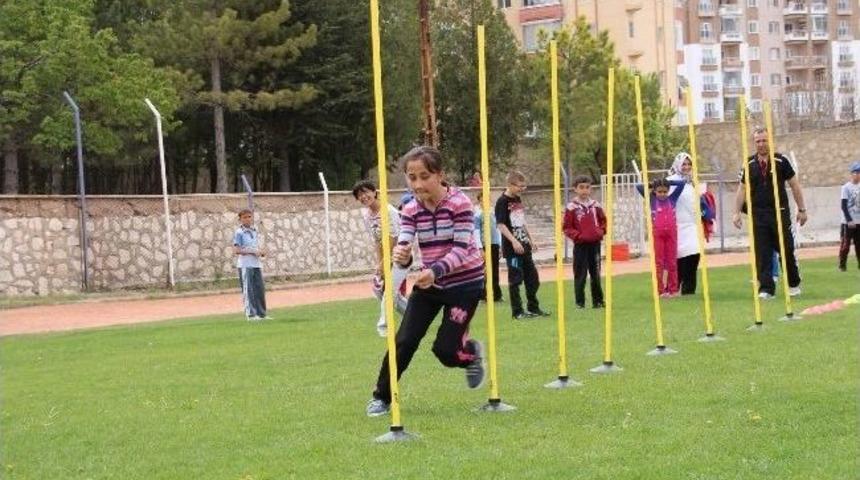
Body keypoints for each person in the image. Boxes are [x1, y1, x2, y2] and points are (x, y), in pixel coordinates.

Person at [365, 146, 486, 417]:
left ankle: (470, 354)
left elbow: (463, 248)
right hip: (429, 284)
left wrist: (435, 270)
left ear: (440, 175)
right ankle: (381, 397)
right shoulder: (409, 209)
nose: (417, 184)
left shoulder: (461, 204)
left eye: (424, 176)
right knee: (405, 340)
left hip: (464, 284)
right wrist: (403, 256)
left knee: (445, 351)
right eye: (411, 177)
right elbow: (406, 243)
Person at [732, 127, 808, 299]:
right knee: (763, 253)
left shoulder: (781, 161)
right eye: (758, 141)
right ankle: (766, 289)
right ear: (754, 143)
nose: (761, 144)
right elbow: (742, 189)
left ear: (770, 141)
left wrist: (802, 209)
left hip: (779, 213)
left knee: (787, 249)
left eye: (764, 140)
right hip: (759, 215)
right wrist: (736, 212)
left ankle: (793, 283)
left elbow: (795, 185)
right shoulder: (749, 164)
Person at [353, 180, 408, 337]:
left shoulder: (388, 211)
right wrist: (380, 263)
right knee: (380, 291)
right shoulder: (367, 215)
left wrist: (386, 263)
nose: (363, 197)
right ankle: (414, 316)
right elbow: (377, 240)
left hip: (401, 254)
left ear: (374, 192)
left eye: (366, 192)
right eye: (359, 195)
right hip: (387, 255)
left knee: (388, 291)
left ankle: (384, 326)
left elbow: (394, 239)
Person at [495, 170, 550, 319]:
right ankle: (517, 312)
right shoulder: (502, 202)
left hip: (524, 245)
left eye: (524, 186)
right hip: (513, 248)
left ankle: (533, 307)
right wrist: (514, 241)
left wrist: (531, 240)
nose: (522, 189)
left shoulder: (517, 199)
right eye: (520, 186)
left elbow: (521, 221)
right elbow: (500, 225)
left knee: (533, 278)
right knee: (515, 280)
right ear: (510, 184)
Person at [667, 152, 715, 295]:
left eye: (689, 164)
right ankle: (674, 288)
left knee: (694, 257)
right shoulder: (671, 181)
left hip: (693, 226)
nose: (687, 167)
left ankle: (689, 290)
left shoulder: (693, 182)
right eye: (684, 164)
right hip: (678, 226)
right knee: (680, 259)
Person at [636, 178, 686, 297]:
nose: (662, 194)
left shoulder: (672, 199)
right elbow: (639, 186)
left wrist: (668, 182)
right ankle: (661, 290)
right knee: (659, 263)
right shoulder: (652, 200)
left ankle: (673, 289)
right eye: (659, 191)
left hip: (672, 234)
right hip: (658, 234)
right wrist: (652, 184)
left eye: (665, 191)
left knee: (672, 262)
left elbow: (682, 183)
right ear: (655, 191)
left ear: (668, 191)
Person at [563, 175, 606, 309]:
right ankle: (580, 303)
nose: (584, 190)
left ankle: (598, 301)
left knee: (596, 272)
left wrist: (600, 232)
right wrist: (578, 236)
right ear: (575, 189)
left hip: (595, 244)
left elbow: (603, 221)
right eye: (581, 187)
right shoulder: (571, 208)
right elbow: (567, 227)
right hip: (581, 245)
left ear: (591, 189)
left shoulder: (596, 205)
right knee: (580, 273)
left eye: (587, 187)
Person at [233, 209, 270, 321]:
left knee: (259, 289)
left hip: (256, 264)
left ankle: (261, 314)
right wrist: (253, 252)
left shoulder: (254, 231)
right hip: (245, 265)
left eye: (249, 217)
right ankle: (251, 314)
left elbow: (255, 248)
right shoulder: (239, 232)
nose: (248, 219)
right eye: (245, 217)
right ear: (240, 219)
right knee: (248, 289)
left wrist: (261, 253)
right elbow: (237, 250)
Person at [474, 190, 503, 302]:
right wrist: (480, 248)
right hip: (485, 245)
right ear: (479, 201)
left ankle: (497, 294)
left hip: (494, 244)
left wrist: (500, 245)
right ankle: (483, 294)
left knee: (495, 270)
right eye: (482, 200)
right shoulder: (477, 214)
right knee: (485, 271)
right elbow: (476, 232)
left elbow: (498, 229)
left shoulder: (493, 213)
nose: (485, 202)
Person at [838, 161, 860, 271]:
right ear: (852, 174)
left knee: (859, 245)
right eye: (856, 172)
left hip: (859, 221)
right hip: (847, 223)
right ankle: (842, 265)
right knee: (845, 245)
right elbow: (843, 205)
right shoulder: (846, 187)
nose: (858, 174)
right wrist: (849, 220)